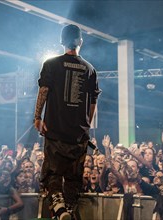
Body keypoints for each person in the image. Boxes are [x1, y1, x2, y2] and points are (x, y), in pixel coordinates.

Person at [33, 24, 101, 220]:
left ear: (61, 41)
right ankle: (68, 209)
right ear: (81, 41)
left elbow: (43, 90)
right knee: (73, 178)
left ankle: (59, 208)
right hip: (78, 135)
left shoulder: (51, 64)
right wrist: (85, 125)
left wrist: (38, 117)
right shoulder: (90, 69)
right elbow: (93, 102)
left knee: (52, 174)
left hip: (55, 131)